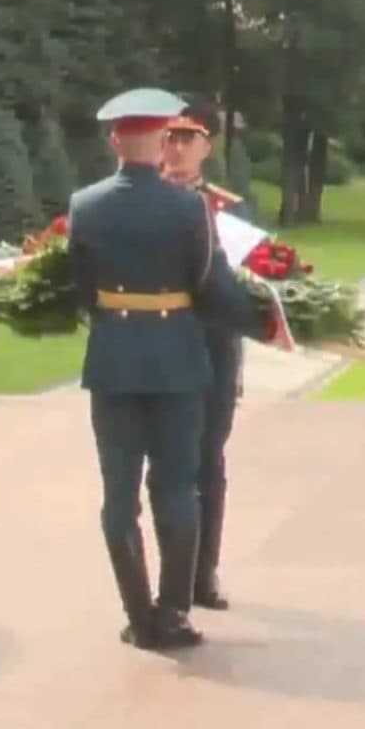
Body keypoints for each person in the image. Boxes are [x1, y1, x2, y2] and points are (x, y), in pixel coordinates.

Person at [67, 92, 286, 652]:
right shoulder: (189, 209)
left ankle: (139, 617)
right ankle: (174, 615)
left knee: (119, 496)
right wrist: (268, 322)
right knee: (177, 490)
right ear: (162, 141)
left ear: (114, 139)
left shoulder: (85, 205)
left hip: (114, 363)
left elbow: (80, 292)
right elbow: (211, 289)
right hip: (179, 364)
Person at [159, 99, 250, 611]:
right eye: (169, 135)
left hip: (213, 350)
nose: (175, 145)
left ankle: (203, 573)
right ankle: (172, 575)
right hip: (161, 347)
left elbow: (250, 276)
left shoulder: (226, 208)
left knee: (207, 462)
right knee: (166, 466)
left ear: (206, 146)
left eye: (186, 136)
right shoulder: (144, 199)